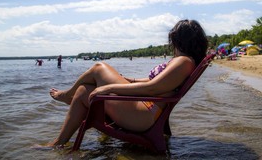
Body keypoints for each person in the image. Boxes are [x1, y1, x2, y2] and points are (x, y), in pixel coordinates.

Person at [40, 19, 208, 149]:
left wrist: (109, 87)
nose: (172, 45)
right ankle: (59, 143)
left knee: (99, 68)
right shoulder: (185, 62)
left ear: (181, 41)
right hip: (144, 110)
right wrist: (129, 80)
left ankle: (67, 96)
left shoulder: (184, 61)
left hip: (143, 114)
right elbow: (154, 83)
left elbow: (153, 88)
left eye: (173, 40)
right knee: (84, 91)